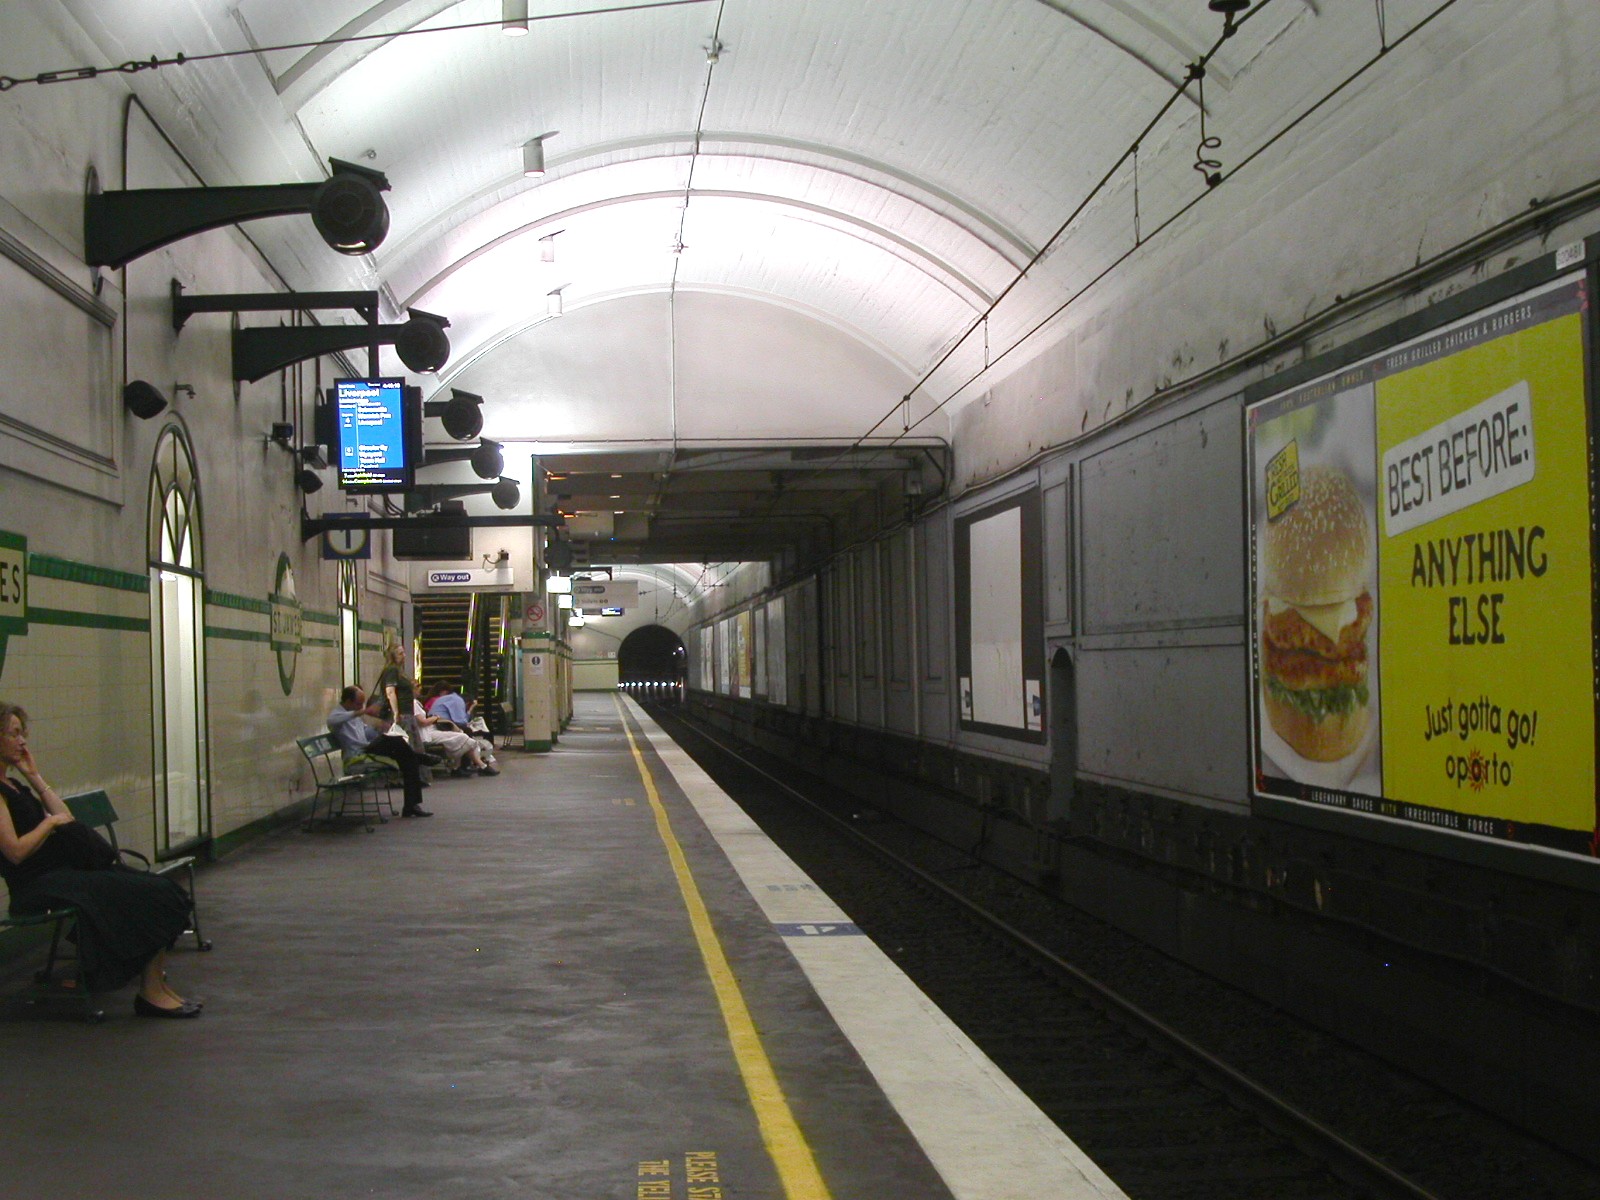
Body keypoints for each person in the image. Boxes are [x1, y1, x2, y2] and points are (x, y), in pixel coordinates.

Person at [0, 702, 201, 1018]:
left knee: (162, 890)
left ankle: (156, 987)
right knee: (146, 895)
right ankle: (150, 991)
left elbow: (65, 816)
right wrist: (48, 824)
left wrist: (36, 778)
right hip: (37, 885)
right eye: (14, 734)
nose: (23, 741)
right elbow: (14, 851)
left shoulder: (16, 785)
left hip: (61, 876)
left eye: (22, 734)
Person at [327, 686, 432, 818]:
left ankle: (411, 804)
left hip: (367, 749)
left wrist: (379, 727)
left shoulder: (354, 715)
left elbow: (365, 733)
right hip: (357, 756)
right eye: (358, 704)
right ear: (348, 701)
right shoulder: (338, 715)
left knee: (406, 757)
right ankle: (419, 758)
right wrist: (363, 711)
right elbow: (332, 720)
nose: (360, 707)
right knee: (403, 750)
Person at [412, 699, 498, 777]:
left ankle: (471, 766)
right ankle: (480, 766)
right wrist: (435, 718)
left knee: (462, 737)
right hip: (425, 733)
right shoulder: (413, 703)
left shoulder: (415, 702)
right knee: (462, 736)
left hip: (428, 730)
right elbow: (422, 722)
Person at [374, 642, 419, 750]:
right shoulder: (392, 670)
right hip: (402, 713)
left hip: (406, 712)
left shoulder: (398, 671)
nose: (404, 656)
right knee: (408, 744)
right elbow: (390, 691)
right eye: (400, 653)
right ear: (393, 656)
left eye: (403, 653)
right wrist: (396, 712)